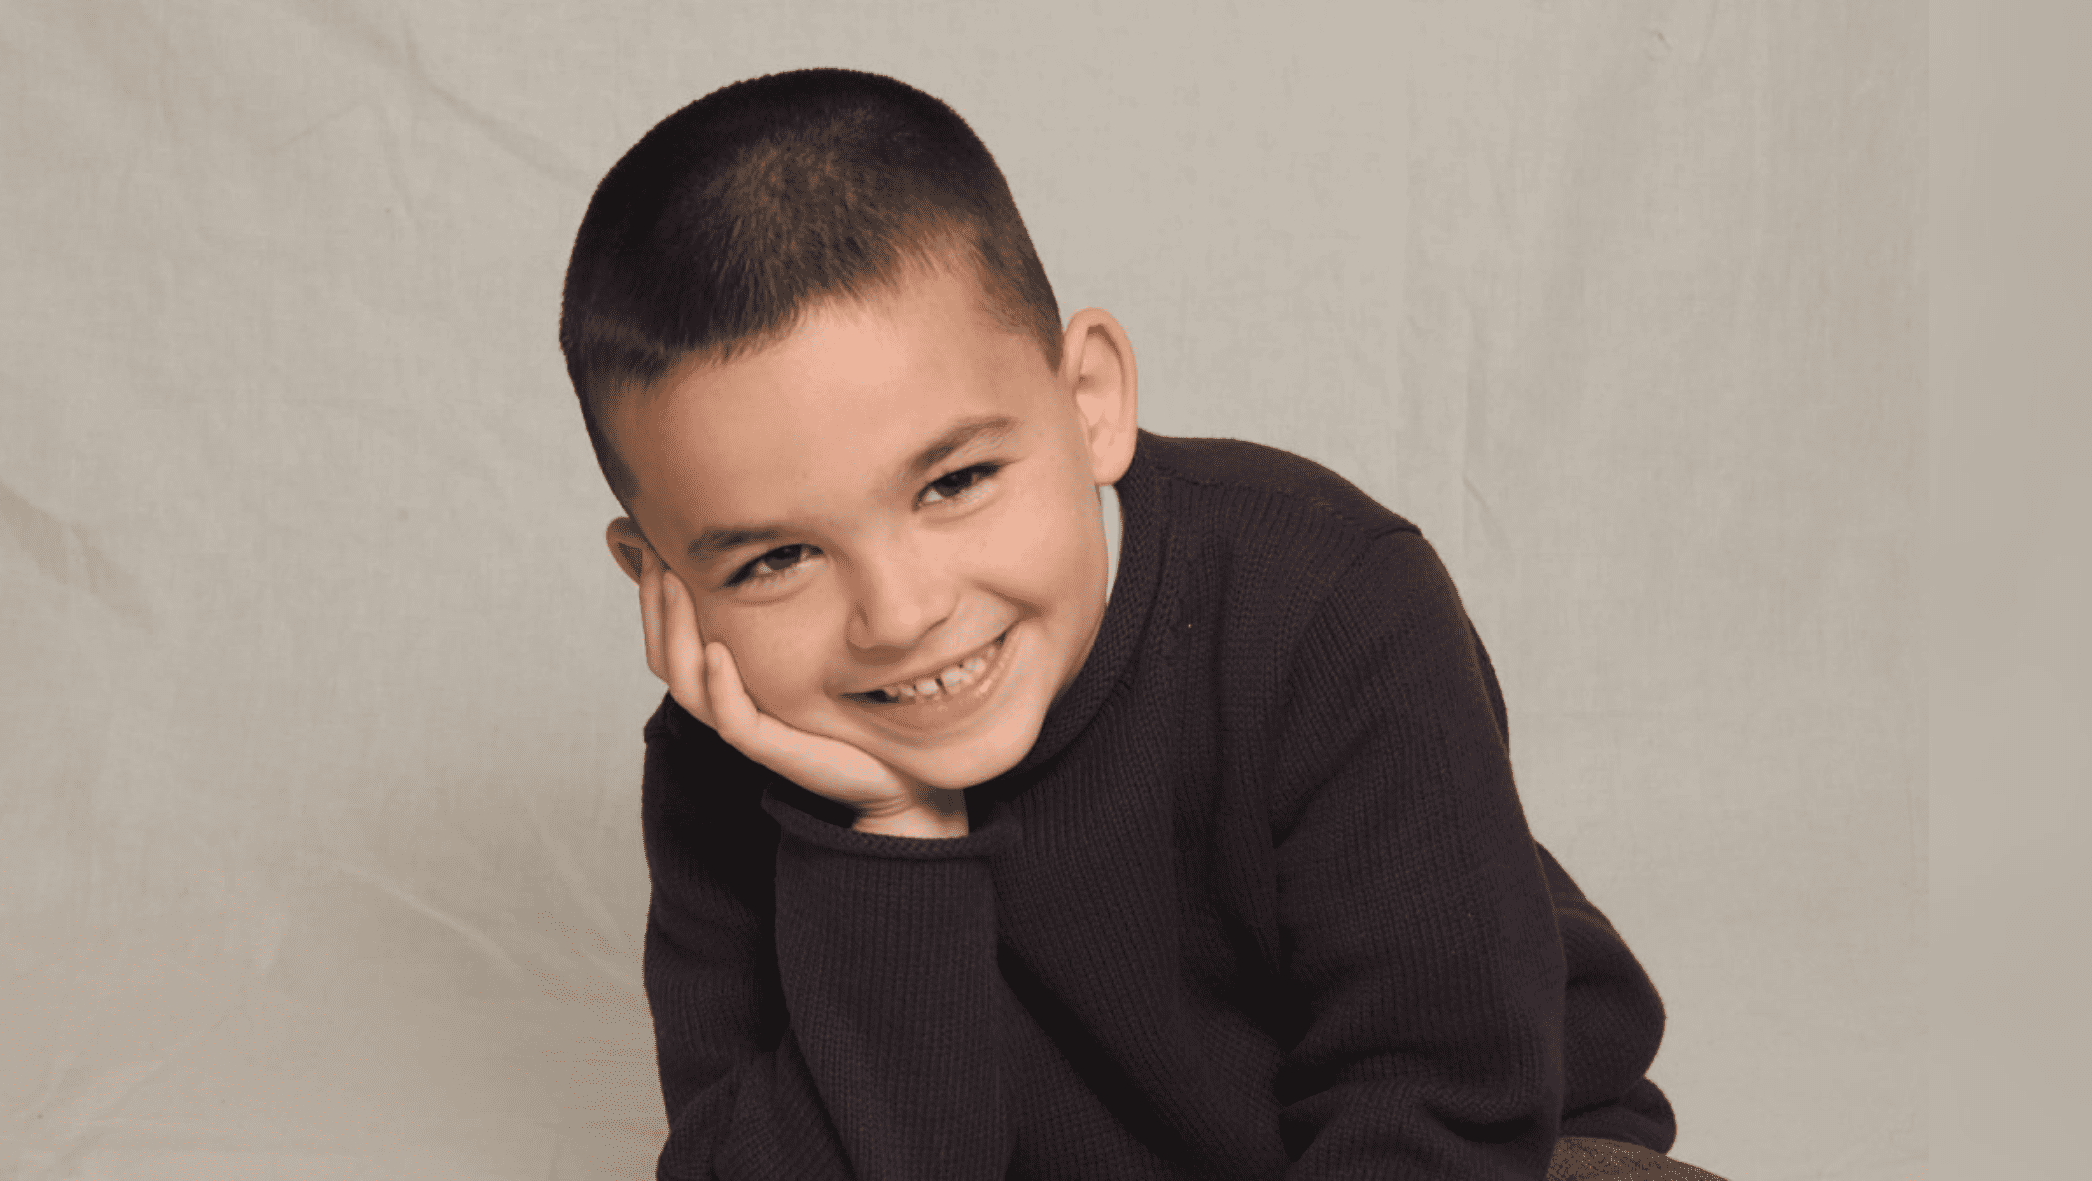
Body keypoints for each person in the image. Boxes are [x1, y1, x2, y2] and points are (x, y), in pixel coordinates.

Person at [557, 68, 1721, 1180]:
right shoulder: (730, 752)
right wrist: (888, 842)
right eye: (779, 558)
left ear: (1090, 402)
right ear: (658, 578)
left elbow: (1444, 1104)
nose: (902, 617)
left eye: (954, 482)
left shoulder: (1329, 605)